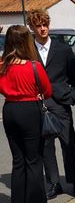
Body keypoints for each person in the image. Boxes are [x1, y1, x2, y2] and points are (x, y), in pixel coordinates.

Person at [27, 9, 75, 199]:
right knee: (45, 147)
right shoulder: (28, 51)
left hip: (61, 104)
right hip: (38, 105)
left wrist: (73, 96)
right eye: (38, 26)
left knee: (69, 144)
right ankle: (53, 183)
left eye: (45, 25)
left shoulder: (63, 49)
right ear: (32, 28)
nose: (43, 29)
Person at [0, 25, 52, 203]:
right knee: (34, 159)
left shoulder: (2, 66)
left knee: (18, 159)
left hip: (9, 109)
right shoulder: (34, 66)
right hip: (30, 109)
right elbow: (47, 90)